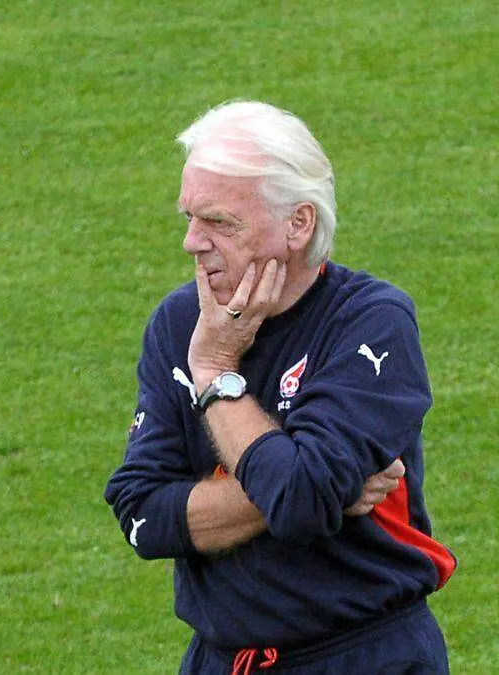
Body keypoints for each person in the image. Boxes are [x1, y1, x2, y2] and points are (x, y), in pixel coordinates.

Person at [104, 101, 457, 674]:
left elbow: (300, 498)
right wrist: (311, 488)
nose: (192, 242)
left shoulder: (370, 323)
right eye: (189, 217)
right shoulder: (177, 322)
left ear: (299, 223)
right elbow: (143, 513)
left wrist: (215, 370)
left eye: (220, 222)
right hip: (220, 661)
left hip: (362, 658)